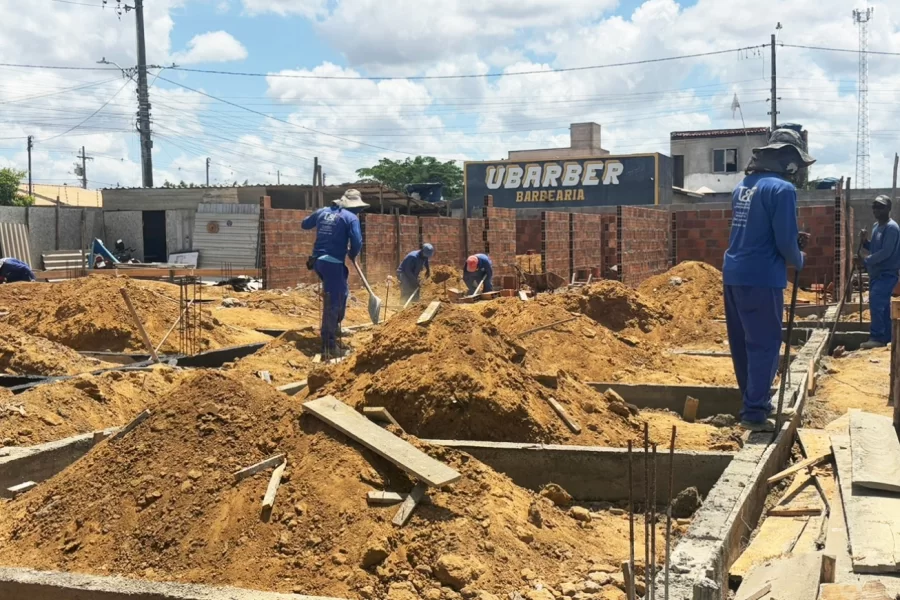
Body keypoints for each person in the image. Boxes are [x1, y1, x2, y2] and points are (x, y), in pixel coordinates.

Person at [723, 128, 815, 433]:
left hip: (734, 274)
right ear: (788, 160)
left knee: (742, 344)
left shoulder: (743, 187)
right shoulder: (782, 190)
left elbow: (757, 230)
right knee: (764, 344)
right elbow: (785, 242)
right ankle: (754, 412)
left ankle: (754, 401)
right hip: (762, 277)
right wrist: (799, 259)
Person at [302, 189, 367, 355]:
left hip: (318, 261)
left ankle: (334, 327)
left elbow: (305, 224)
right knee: (334, 301)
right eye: (358, 208)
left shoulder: (323, 212)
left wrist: (322, 217)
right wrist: (352, 253)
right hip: (332, 263)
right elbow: (357, 241)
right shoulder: (351, 218)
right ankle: (328, 345)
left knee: (342, 293)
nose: (359, 211)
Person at [859, 195, 900, 349]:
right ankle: (888, 337)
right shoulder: (876, 226)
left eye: (880, 207)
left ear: (888, 209)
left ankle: (877, 337)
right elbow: (875, 248)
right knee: (883, 307)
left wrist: (865, 260)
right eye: (874, 207)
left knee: (876, 301)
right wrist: (865, 242)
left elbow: (886, 252)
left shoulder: (892, 228)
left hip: (887, 273)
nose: (876, 210)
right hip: (876, 274)